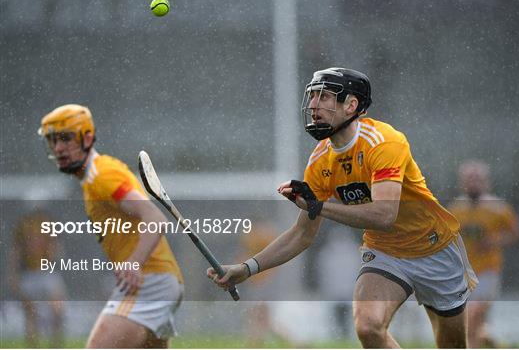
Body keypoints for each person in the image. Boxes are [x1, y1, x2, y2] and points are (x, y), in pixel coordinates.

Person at [208, 67, 478, 348]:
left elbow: (385, 215)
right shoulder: (320, 160)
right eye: (312, 96)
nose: (313, 105)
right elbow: (302, 234)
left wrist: (319, 206)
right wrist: (247, 268)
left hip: (435, 249)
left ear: (351, 105)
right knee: (369, 327)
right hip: (385, 253)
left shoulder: (384, 142)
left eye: (324, 97)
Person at [38, 104, 184, 348]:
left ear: (86, 137)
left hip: (148, 283)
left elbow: (155, 218)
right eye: (53, 140)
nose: (58, 148)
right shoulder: (94, 178)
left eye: (65, 138)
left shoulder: (101, 176)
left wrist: (134, 263)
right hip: (161, 281)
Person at [448, 160, 519, 348]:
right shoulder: (456, 209)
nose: (473, 183)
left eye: (477, 179)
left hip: (488, 271)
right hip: (463, 274)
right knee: (475, 326)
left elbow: (516, 232)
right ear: (462, 182)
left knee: (471, 317)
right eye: (469, 179)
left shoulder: (498, 209)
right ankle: (498, 345)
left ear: (486, 182)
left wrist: (496, 240)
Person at [8, 206, 66, 348]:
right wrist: (13, 274)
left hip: (46, 272)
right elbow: (16, 251)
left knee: (58, 310)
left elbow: (56, 248)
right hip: (28, 275)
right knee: (31, 315)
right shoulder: (23, 225)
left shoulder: (48, 222)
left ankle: (55, 345)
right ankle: (34, 347)